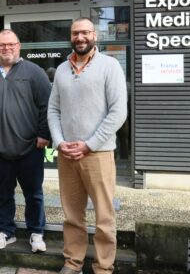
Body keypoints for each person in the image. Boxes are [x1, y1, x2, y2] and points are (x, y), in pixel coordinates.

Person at [48, 17, 127, 274]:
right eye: (75, 33)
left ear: (95, 35)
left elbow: (118, 112)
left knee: (104, 216)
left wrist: (89, 144)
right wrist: (59, 142)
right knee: (72, 215)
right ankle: (73, 262)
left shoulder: (110, 66)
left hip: (99, 154)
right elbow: (53, 110)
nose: (79, 37)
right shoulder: (61, 69)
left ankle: (103, 267)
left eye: (84, 32)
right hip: (67, 155)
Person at [0, 29, 51, 253]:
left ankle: (36, 232)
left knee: (34, 194)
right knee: (3, 193)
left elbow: (47, 105)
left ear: (19, 46)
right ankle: (5, 231)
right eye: (1, 45)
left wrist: (44, 135)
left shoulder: (34, 72)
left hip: (30, 147)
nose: (6, 48)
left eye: (11, 44)